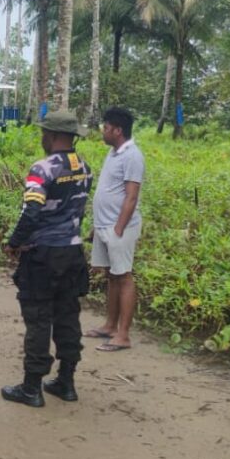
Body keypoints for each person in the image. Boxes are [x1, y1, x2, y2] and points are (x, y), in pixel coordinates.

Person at [0, 110, 92, 408]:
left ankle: (31, 387)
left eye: (43, 133)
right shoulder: (84, 167)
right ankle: (66, 381)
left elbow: (32, 211)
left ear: (50, 135)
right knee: (67, 314)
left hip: (43, 255)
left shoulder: (43, 168)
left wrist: (15, 242)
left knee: (39, 318)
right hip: (73, 252)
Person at [85, 107, 144, 352]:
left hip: (120, 227)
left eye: (106, 128)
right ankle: (110, 325)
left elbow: (131, 196)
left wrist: (119, 228)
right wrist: (97, 226)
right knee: (111, 276)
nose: (103, 131)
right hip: (104, 225)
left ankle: (123, 335)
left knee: (124, 276)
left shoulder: (133, 156)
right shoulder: (113, 153)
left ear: (118, 131)